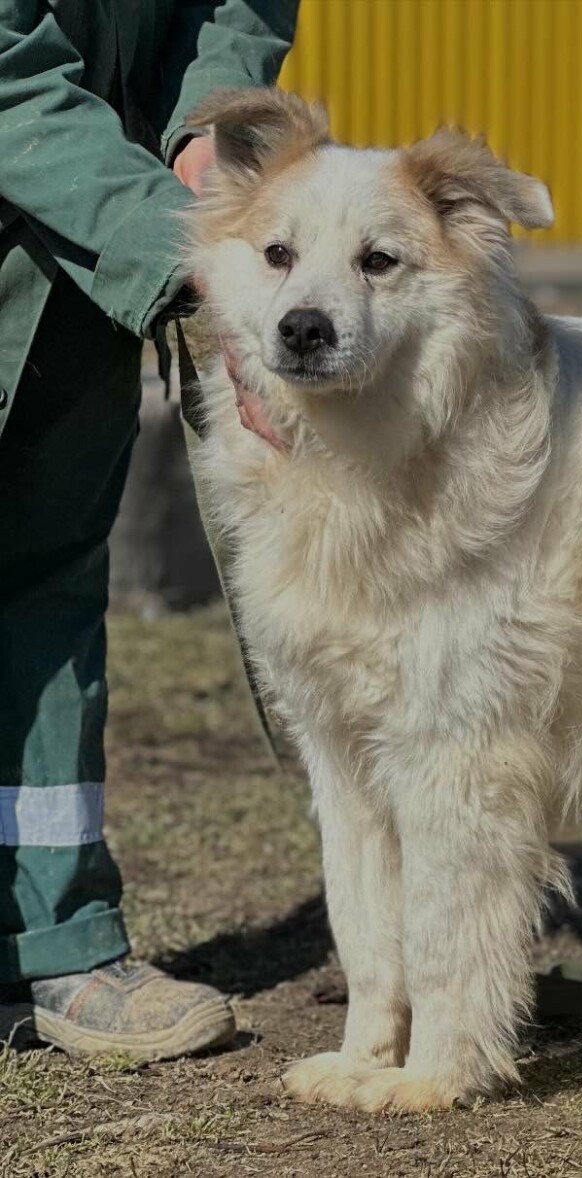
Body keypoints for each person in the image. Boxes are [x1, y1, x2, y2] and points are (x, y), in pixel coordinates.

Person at [0, 1, 298, 1061]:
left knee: (46, 588)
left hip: (82, 257)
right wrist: (194, 259)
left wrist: (207, 139)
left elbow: (234, 5)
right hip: (102, 216)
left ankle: (57, 945)